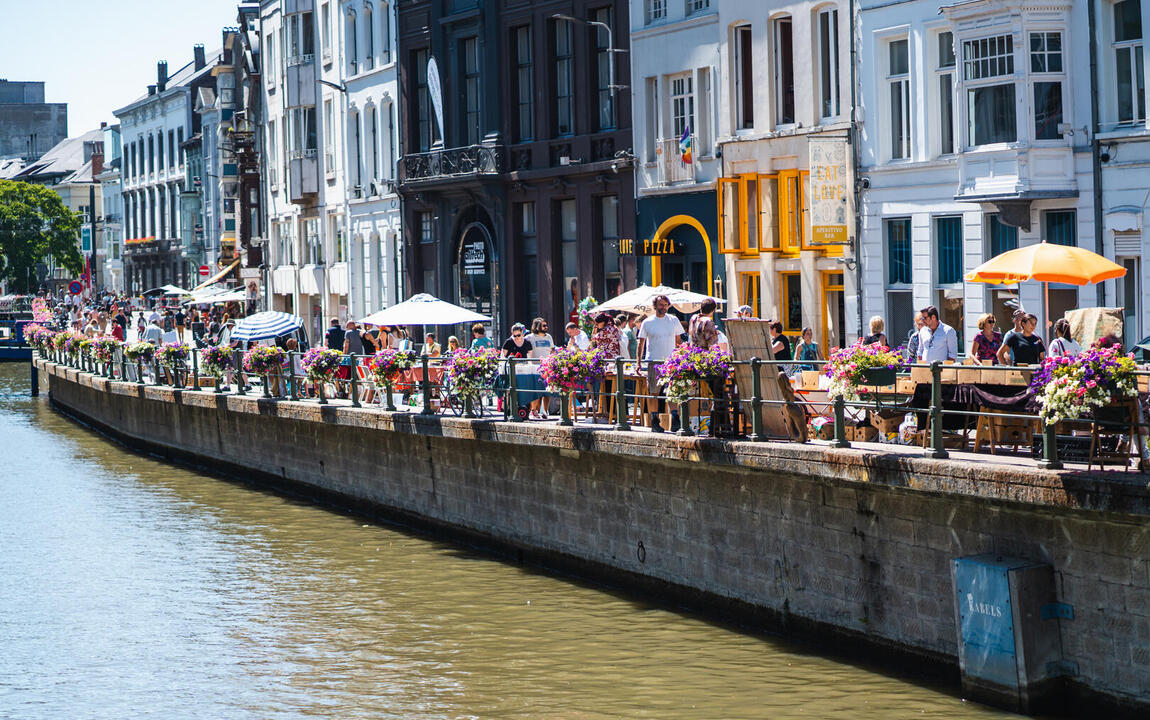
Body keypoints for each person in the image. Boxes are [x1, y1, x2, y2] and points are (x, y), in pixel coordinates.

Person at [637, 295, 682, 433]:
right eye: (661, 305)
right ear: (655, 306)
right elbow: (641, 343)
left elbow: (679, 341)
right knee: (654, 392)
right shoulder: (648, 322)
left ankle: (675, 419)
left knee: (672, 391)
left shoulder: (673, 320)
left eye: (666, 305)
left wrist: (680, 358)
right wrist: (638, 362)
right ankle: (655, 421)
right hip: (653, 361)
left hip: (670, 361)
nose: (663, 307)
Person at [526, 318, 555, 419]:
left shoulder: (549, 337)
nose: (546, 327)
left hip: (548, 367)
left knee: (547, 391)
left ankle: (545, 411)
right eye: (544, 325)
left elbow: (552, 350)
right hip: (535, 367)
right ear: (537, 326)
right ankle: (534, 410)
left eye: (546, 325)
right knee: (535, 390)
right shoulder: (530, 337)